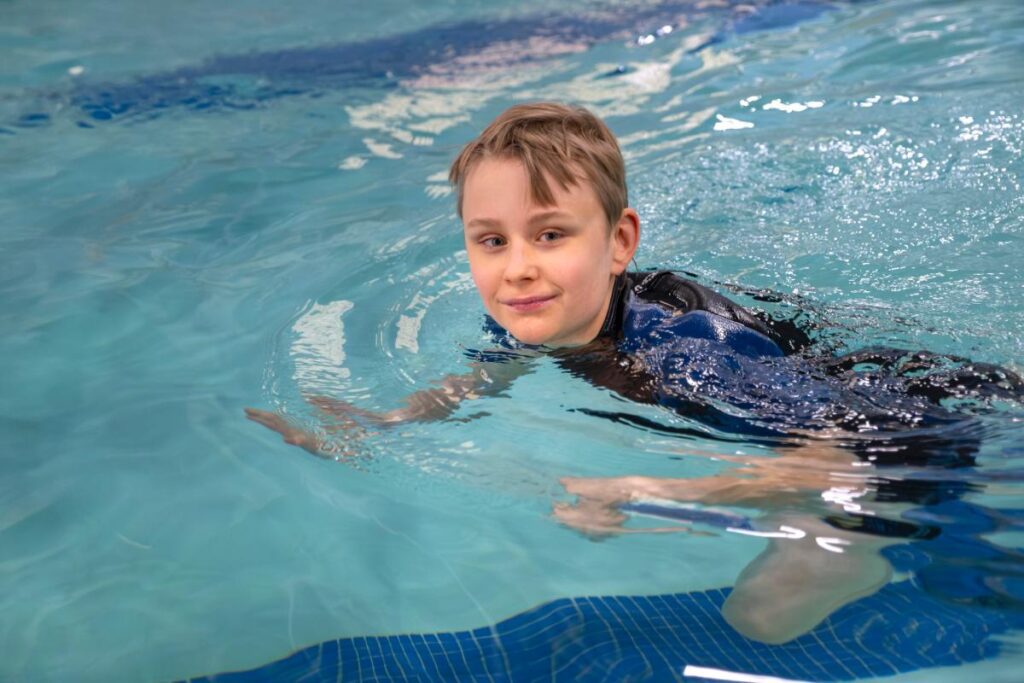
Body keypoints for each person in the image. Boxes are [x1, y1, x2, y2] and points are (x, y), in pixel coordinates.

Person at [246, 102, 1022, 643]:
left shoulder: (687, 346)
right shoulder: (540, 312)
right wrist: (386, 423)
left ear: (619, 243)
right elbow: (489, 373)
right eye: (491, 241)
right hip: (862, 418)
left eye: (550, 234)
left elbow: (834, 450)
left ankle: (883, 543)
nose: (517, 268)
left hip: (908, 431)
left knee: (764, 615)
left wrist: (659, 490)